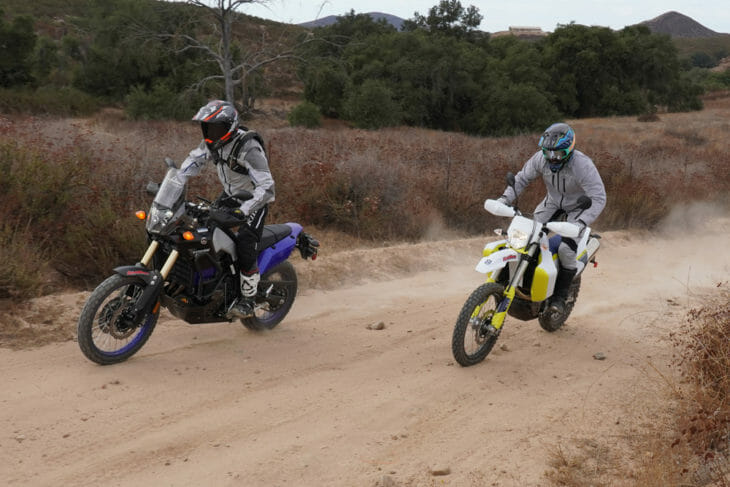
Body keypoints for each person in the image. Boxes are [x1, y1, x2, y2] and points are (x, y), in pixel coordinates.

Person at [176, 100, 275, 319]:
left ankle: (248, 300)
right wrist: (175, 180)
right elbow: (194, 161)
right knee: (205, 230)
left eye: (216, 127)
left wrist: (245, 210)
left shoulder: (249, 147)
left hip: (254, 201)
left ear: (229, 126)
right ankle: (217, 282)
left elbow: (267, 188)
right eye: (208, 127)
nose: (211, 132)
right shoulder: (212, 144)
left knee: (245, 244)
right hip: (231, 196)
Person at [497, 122, 606, 314]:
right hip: (552, 202)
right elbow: (522, 178)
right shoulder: (541, 158)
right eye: (548, 153)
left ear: (569, 149)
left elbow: (598, 197)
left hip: (577, 208)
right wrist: (505, 198)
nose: (552, 158)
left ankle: (560, 298)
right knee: (525, 236)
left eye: (557, 154)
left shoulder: (582, 165)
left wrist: (580, 223)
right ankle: (519, 281)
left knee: (565, 249)